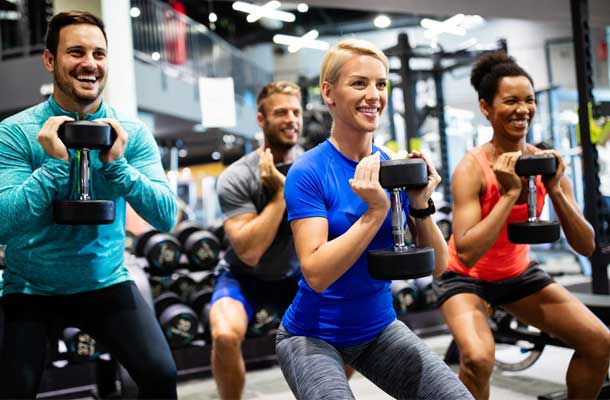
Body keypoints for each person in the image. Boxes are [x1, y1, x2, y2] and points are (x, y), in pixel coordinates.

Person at [275, 38, 472, 400]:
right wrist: (375, 212)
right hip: (312, 334)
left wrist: (420, 203)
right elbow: (316, 273)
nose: (373, 95)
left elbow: (440, 264)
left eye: (381, 84)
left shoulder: (394, 167)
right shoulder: (309, 171)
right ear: (329, 92)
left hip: (378, 328)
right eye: (359, 83)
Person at [0, 11, 178, 397]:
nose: (89, 63)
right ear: (50, 59)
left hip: (104, 282)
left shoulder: (129, 133)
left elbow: (166, 216)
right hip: (30, 288)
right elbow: (3, 224)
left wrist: (118, 167)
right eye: (75, 52)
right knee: (13, 388)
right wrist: (51, 166)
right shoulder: (15, 133)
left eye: (99, 54)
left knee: (161, 374)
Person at [433, 52, 610, 399]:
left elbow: (586, 245)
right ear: (486, 107)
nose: (522, 109)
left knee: (599, 342)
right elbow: (466, 252)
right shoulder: (472, 168)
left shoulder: (544, 163)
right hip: (464, 278)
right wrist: (508, 194)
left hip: (517, 274)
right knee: (479, 359)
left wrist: (555, 187)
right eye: (510, 100)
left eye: (528, 100)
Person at [209, 81, 306, 400]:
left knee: (349, 326)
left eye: (296, 112)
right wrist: (280, 195)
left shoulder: (314, 167)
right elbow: (248, 253)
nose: (291, 119)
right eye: (281, 112)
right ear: (262, 120)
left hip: (296, 275)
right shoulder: (238, 176)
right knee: (224, 334)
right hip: (243, 276)